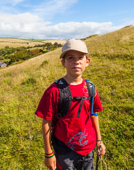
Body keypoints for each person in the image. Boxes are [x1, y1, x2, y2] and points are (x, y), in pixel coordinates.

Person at [35, 39, 106, 170]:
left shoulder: (90, 88)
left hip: (88, 148)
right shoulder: (54, 91)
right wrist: (49, 153)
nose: (76, 61)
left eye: (80, 57)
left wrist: (99, 140)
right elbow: (46, 122)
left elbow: (93, 113)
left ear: (87, 61)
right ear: (63, 62)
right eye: (71, 58)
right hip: (64, 150)